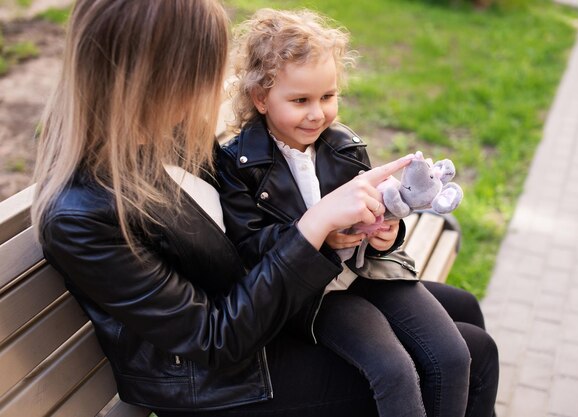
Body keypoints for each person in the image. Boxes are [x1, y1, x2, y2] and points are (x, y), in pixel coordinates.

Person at [30, 1, 417, 416]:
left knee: (463, 333)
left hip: (261, 314)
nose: (215, 85)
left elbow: (243, 229)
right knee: (446, 360)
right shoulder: (81, 215)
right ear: (156, 78)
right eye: (204, 69)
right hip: (221, 380)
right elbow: (214, 339)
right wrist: (315, 224)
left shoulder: (164, 135)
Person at [217, 8, 498, 417]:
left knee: (453, 355)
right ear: (261, 98)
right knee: (394, 369)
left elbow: (382, 208)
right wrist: (317, 237)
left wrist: (389, 232)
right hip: (317, 296)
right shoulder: (239, 165)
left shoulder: (342, 145)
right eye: (300, 101)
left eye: (327, 97)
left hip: (372, 271)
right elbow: (250, 247)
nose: (317, 113)